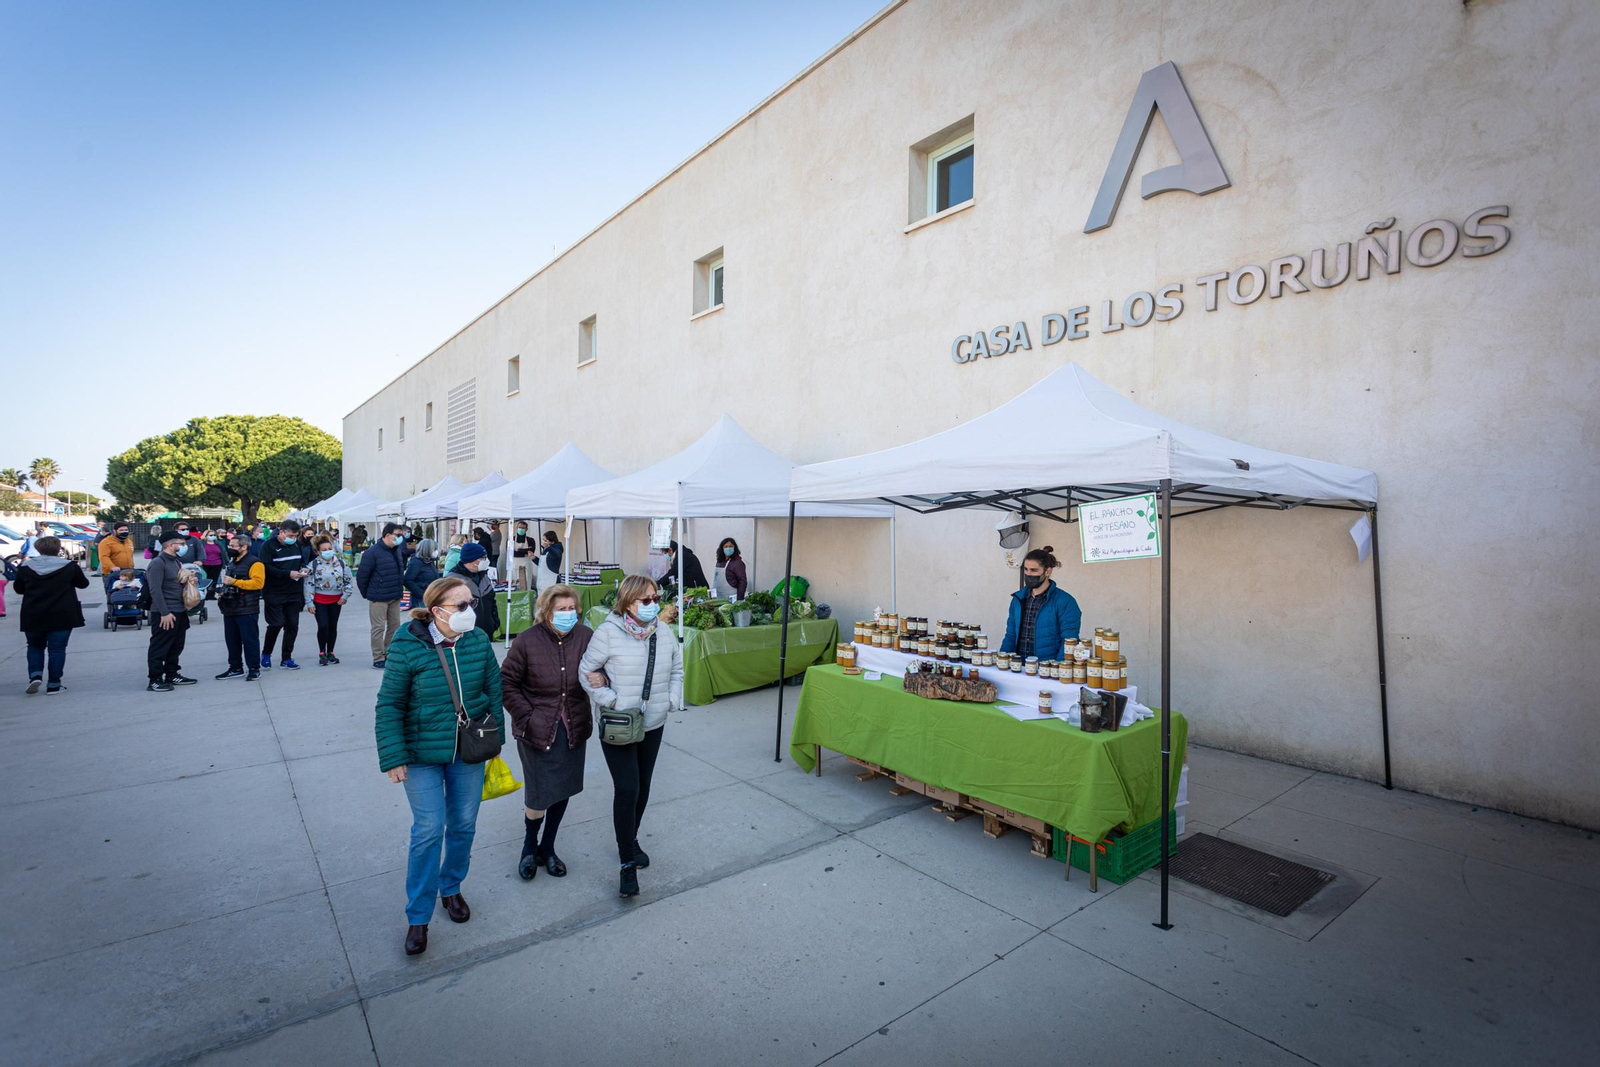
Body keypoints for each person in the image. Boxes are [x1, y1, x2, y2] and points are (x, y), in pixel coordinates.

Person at [374, 576, 504, 957]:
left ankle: (451, 888)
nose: (470, 611)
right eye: (461, 605)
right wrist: (393, 756)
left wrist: (494, 739)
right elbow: (390, 704)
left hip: (469, 748)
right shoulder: (408, 644)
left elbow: (493, 690)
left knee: (463, 823)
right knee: (429, 829)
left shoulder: (478, 641)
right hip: (420, 753)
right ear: (437, 611)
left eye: (472, 603)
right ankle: (418, 916)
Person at [579, 574, 684, 898]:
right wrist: (609, 700)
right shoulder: (607, 633)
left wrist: (670, 701)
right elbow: (587, 671)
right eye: (646, 600)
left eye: (656, 598)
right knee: (628, 788)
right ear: (628, 602)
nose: (654, 604)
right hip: (619, 723)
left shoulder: (664, 633)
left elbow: (678, 670)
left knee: (644, 787)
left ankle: (631, 838)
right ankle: (627, 863)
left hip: (653, 722)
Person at [501, 584, 593, 881]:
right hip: (537, 729)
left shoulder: (586, 637)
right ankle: (530, 845)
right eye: (561, 610)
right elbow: (507, 684)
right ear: (545, 612)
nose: (568, 614)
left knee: (562, 788)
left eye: (572, 609)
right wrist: (527, 717)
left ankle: (548, 847)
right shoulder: (526, 641)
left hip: (573, 725)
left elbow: (601, 669)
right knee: (539, 793)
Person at [13, 535, 89, 694]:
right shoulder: (70, 566)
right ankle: (54, 684)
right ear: (58, 549)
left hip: (33, 614)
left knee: (34, 646)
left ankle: (35, 675)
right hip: (62, 614)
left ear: (39, 549)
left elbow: (19, 589)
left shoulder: (26, 568)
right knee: (57, 650)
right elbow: (83, 584)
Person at [999, 546, 1082, 662]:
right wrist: (1002, 660)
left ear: (1047, 571)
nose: (1028, 574)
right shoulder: (1018, 599)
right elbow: (1011, 635)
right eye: (1026, 569)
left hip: (1047, 670)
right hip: (1019, 668)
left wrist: (1059, 669)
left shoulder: (1065, 602)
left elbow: (1069, 641)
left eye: (1034, 570)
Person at [146, 531, 199, 692]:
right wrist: (164, 612)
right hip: (166, 612)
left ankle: (172, 673)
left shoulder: (175, 561)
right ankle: (155, 679)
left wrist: (189, 581)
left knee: (176, 645)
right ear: (170, 545)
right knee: (160, 646)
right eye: (181, 544)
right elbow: (155, 590)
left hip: (179, 610)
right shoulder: (158, 563)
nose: (184, 547)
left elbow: (175, 583)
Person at [259, 519, 311, 670]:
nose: (292, 538)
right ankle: (266, 653)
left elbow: (301, 561)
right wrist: (287, 574)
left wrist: (303, 570)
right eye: (290, 535)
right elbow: (266, 568)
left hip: (294, 591)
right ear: (281, 532)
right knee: (276, 624)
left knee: (292, 625)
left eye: (295, 535)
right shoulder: (268, 546)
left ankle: (286, 658)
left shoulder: (296, 545)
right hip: (274, 591)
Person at [215, 532, 265, 680]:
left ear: (244, 547)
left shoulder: (255, 563)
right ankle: (235, 667)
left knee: (249, 640)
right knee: (232, 640)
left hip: (246, 608)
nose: (230, 548)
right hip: (230, 607)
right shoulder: (233, 561)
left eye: (233, 546)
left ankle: (254, 668)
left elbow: (258, 583)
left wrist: (234, 582)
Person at [358, 522, 408, 669]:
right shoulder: (372, 553)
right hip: (378, 597)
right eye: (398, 535)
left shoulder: (396, 550)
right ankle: (378, 656)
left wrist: (400, 591)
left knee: (394, 626)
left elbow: (399, 573)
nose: (401, 539)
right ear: (387, 535)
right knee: (378, 628)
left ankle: (389, 653)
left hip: (394, 595)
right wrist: (368, 594)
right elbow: (362, 576)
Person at [303, 535, 354, 665]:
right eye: (324, 549)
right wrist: (309, 602)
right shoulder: (313, 564)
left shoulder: (341, 563)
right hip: (320, 599)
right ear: (318, 552)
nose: (328, 551)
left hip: (336, 600)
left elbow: (348, 580)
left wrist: (345, 595)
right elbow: (308, 583)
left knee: (332, 626)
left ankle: (331, 652)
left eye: (329, 548)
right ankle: (322, 652)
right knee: (323, 625)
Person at [447, 542, 500, 639]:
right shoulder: (453, 580)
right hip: (465, 633)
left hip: (486, 631)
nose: (486, 560)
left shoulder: (484, 576)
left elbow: (492, 600)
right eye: (483, 558)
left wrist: (495, 622)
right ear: (473, 560)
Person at [404, 538, 442, 607]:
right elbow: (407, 580)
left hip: (430, 596)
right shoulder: (417, 562)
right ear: (428, 550)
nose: (437, 551)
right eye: (434, 549)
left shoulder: (429, 561)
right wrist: (422, 594)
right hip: (421, 599)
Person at [510, 523, 537, 590]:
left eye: (523, 528)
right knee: (513, 583)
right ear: (516, 528)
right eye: (519, 527)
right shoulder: (511, 539)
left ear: (526, 529)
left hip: (526, 565)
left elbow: (531, 551)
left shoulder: (530, 540)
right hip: (514, 564)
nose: (521, 529)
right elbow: (510, 552)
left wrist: (518, 550)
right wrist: (525, 551)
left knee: (526, 583)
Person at [201, 529, 225, 597]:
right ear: (206, 536)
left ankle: (211, 594)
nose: (213, 536)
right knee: (205, 579)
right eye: (211, 535)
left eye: (214, 535)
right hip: (205, 564)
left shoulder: (218, 543)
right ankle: (204, 593)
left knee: (214, 579)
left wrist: (226, 562)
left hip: (217, 564)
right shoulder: (202, 543)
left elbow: (223, 552)